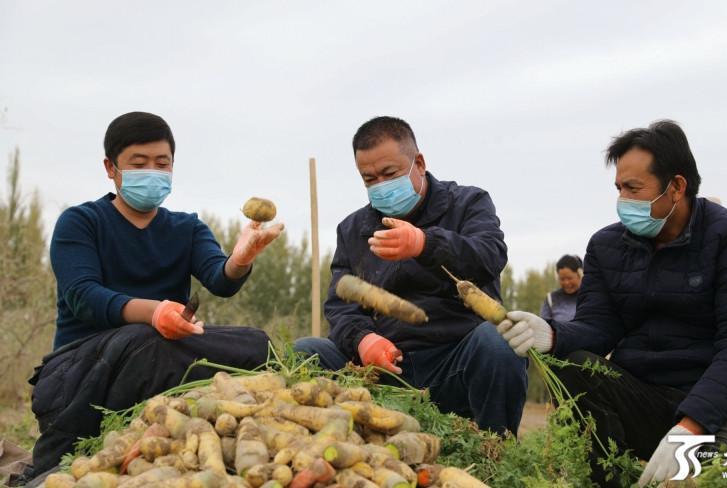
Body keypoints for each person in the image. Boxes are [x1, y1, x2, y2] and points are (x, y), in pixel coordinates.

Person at [497, 120, 727, 486]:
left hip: (725, 403)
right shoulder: (607, 246)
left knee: (726, 476)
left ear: (676, 187)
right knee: (576, 366)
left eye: (633, 188)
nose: (623, 201)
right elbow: (599, 326)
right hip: (645, 396)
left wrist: (693, 423)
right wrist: (552, 335)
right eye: (618, 189)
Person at [26, 112, 284, 479]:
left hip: (160, 354)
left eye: (162, 164)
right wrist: (154, 312)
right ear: (110, 168)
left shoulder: (187, 227)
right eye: (139, 163)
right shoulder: (81, 222)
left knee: (257, 344)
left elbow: (220, 279)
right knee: (146, 340)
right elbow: (83, 296)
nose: (152, 171)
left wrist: (240, 259)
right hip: (81, 370)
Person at [295, 116, 527, 434]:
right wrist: (363, 340)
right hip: (385, 368)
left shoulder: (468, 203)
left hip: (454, 358)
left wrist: (425, 243)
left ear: (418, 162)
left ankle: (495, 449)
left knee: (500, 340)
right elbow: (340, 304)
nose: (381, 186)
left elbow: (489, 255)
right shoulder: (353, 229)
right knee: (306, 353)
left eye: (389, 174)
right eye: (369, 179)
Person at [539, 254, 583, 322]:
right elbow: (543, 325)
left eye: (569, 278)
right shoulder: (551, 299)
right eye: (562, 279)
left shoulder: (589, 297)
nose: (566, 282)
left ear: (580, 275)